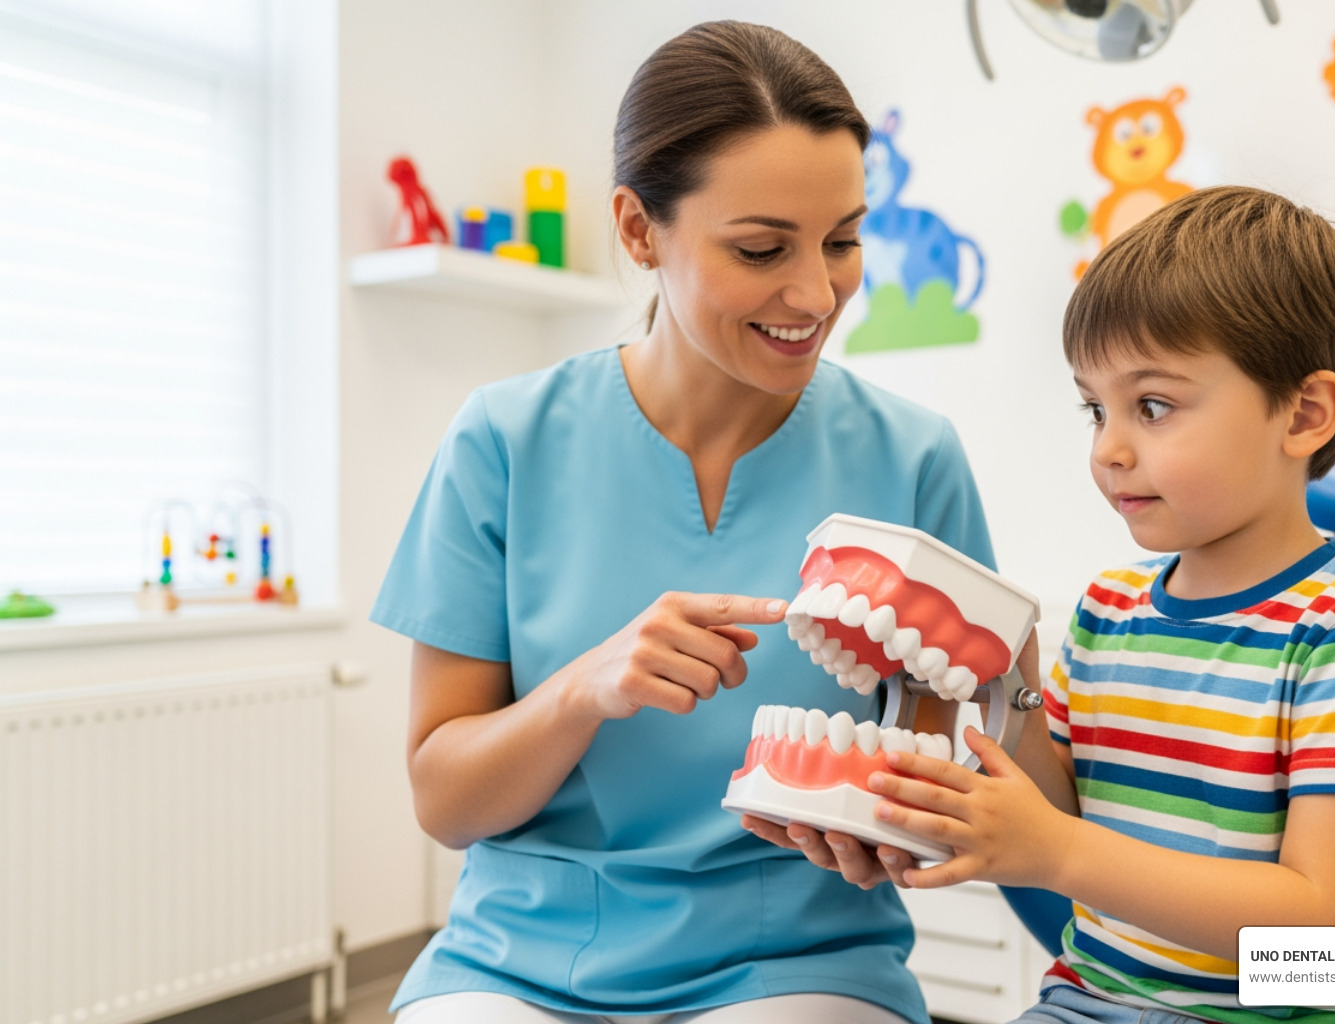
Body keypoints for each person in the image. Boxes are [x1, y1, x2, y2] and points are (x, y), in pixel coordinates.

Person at [369, 20, 995, 1024]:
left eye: (841, 241)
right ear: (637, 230)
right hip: (519, 954)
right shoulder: (502, 440)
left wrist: (900, 824)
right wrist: (584, 689)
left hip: (798, 954)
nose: (814, 292)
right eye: (760, 248)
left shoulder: (915, 459)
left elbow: (951, 768)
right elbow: (445, 802)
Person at [857, 187, 1335, 1024]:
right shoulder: (1109, 610)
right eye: (1095, 408)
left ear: (1304, 413)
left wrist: (1060, 853)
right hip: (1095, 1002)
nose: (1108, 449)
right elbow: (1062, 812)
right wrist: (1016, 692)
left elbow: (1327, 922)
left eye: (1152, 406)